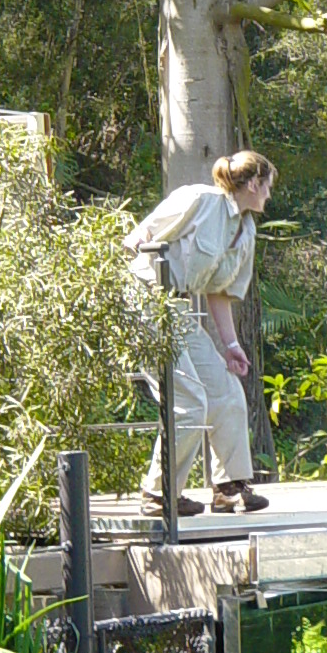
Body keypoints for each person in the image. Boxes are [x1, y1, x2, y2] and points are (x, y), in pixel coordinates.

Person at [125, 149, 277, 517]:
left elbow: (220, 293)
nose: (270, 195)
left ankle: (228, 487)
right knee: (189, 400)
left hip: (179, 310)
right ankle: (159, 494)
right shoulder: (199, 199)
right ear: (253, 183)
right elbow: (141, 233)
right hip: (147, 301)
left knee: (226, 391)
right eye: (268, 186)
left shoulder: (246, 230)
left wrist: (231, 345)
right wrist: (137, 241)